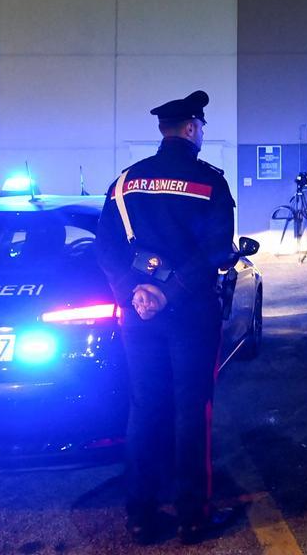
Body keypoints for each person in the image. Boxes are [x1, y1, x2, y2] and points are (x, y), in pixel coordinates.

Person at [96, 90, 237, 545]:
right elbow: (216, 251)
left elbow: (106, 248)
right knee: (192, 411)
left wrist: (134, 293)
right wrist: (169, 292)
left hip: (137, 314)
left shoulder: (126, 183)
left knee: (144, 408)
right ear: (193, 129)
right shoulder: (209, 181)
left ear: (163, 131)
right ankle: (193, 516)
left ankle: (140, 515)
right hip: (192, 314)